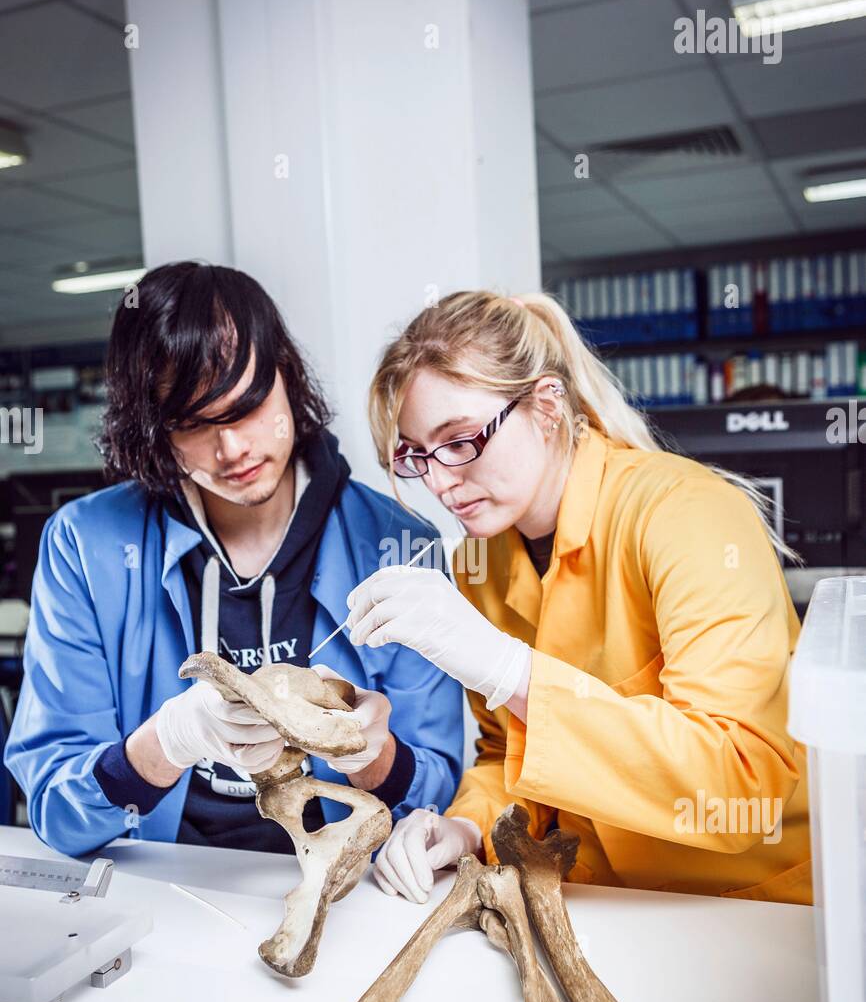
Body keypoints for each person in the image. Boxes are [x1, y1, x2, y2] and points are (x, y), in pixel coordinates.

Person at [348, 289, 811, 906]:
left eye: (460, 440)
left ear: (546, 404)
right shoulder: (481, 563)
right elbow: (507, 755)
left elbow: (738, 781)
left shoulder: (687, 513)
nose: (439, 481)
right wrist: (464, 826)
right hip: (600, 903)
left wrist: (511, 671)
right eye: (416, 455)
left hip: (744, 905)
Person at [4, 262, 463, 858]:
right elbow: (54, 809)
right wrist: (166, 743)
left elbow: (437, 801)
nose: (232, 449)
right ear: (152, 430)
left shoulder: (399, 544)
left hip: (347, 889)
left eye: (246, 407)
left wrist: (373, 757)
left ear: (287, 375)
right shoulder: (85, 546)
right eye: (193, 424)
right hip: (165, 884)